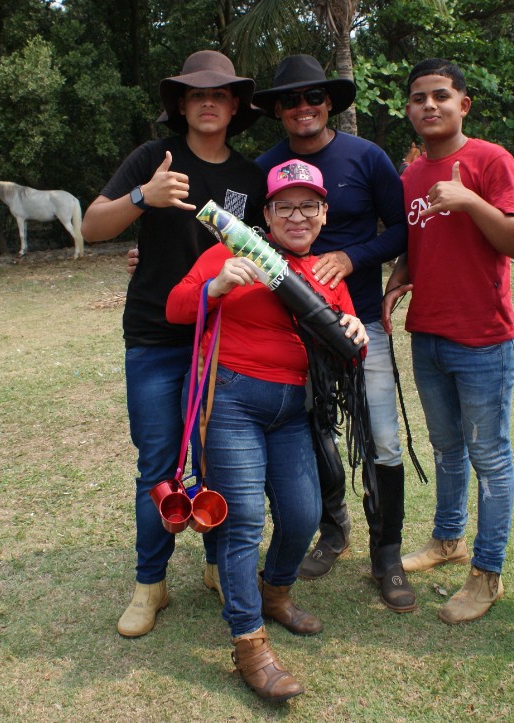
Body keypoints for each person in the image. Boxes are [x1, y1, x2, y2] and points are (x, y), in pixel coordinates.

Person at [80, 50, 266, 639]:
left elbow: (267, 252)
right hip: (156, 337)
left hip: (223, 339)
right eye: (196, 94)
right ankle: (150, 584)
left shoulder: (251, 177)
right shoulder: (152, 159)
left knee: (217, 462)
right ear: (181, 106)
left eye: (219, 94)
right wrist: (144, 197)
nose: (208, 102)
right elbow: (91, 226)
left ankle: (216, 566)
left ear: (234, 106)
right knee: (158, 464)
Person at [167, 159, 367, 702]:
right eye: (285, 207)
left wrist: (354, 329)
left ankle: (274, 593)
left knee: (303, 514)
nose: (297, 217)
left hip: (293, 410)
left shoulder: (327, 273)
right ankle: (249, 642)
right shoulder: (229, 250)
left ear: (324, 214)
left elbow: (348, 349)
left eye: (308, 206)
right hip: (231, 399)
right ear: (268, 214)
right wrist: (215, 286)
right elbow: (176, 307)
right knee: (245, 520)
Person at [252, 54, 415, 612]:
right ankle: (334, 528)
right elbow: (239, 233)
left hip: (359, 317)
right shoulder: (265, 167)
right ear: (278, 110)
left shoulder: (366, 157)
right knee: (312, 431)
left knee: (381, 436)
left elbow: (402, 230)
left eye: (314, 97)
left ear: (329, 103)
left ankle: (386, 554)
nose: (303, 107)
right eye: (291, 100)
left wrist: (351, 256)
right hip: (290, 326)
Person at [382, 59, 514, 625]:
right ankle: (448, 539)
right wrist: (397, 279)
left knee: (489, 456)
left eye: (441, 95)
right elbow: (418, 244)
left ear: (463, 104)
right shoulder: (409, 177)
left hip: (482, 339)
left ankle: (487, 572)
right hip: (428, 335)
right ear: (408, 110)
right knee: (446, 449)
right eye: (418, 97)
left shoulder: (491, 160)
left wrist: (471, 200)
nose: (429, 105)